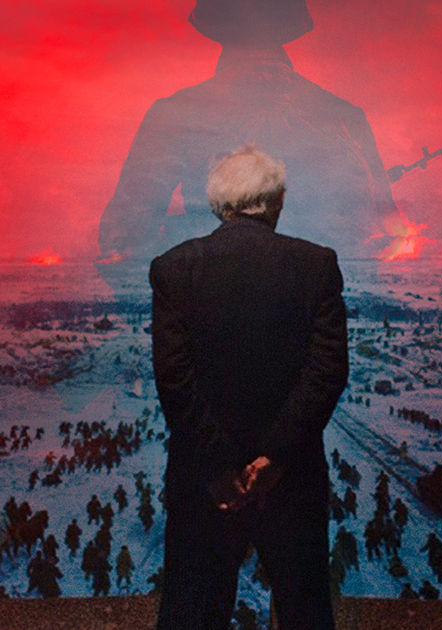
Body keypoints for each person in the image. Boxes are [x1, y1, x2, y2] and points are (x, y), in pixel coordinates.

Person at [151, 145, 348, 630]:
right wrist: (275, 456)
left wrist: (220, 465)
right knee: (304, 613)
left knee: (192, 614)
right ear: (277, 200)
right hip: (293, 480)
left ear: (219, 204)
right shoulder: (316, 265)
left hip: (204, 484)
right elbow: (326, 371)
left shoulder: (174, 268)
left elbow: (175, 379)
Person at [97, 0, 396, 289]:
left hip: (212, 294)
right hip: (321, 296)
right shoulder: (345, 117)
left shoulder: (175, 114)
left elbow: (125, 237)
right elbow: (386, 232)